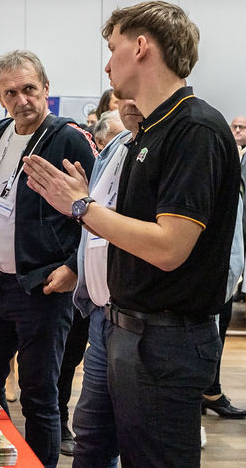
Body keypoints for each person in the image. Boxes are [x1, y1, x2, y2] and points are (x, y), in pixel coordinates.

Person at [23, 0, 240, 467]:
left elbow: (168, 247)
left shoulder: (193, 128)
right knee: (93, 448)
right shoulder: (150, 129)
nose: (107, 64)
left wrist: (81, 206)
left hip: (164, 339)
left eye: (112, 48)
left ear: (141, 47)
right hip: (124, 327)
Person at [0, 49, 96, 467]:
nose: (22, 100)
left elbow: (98, 211)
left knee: (39, 397)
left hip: (41, 287)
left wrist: (75, 266)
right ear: (0, 97)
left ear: (46, 89)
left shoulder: (69, 138)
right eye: (11, 93)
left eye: (30, 89)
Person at [67, 104, 138, 466]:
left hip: (142, 323)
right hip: (101, 311)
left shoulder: (178, 143)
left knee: (139, 437)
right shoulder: (114, 149)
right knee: (91, 434)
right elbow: (92, 222)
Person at [56, 108, 123, 458]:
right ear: (98, 141)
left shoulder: (127, 163)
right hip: (80, 283)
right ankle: (59, 421)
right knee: (66, 359)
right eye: (114, 138)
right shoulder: (85, 165)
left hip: (109, 294)